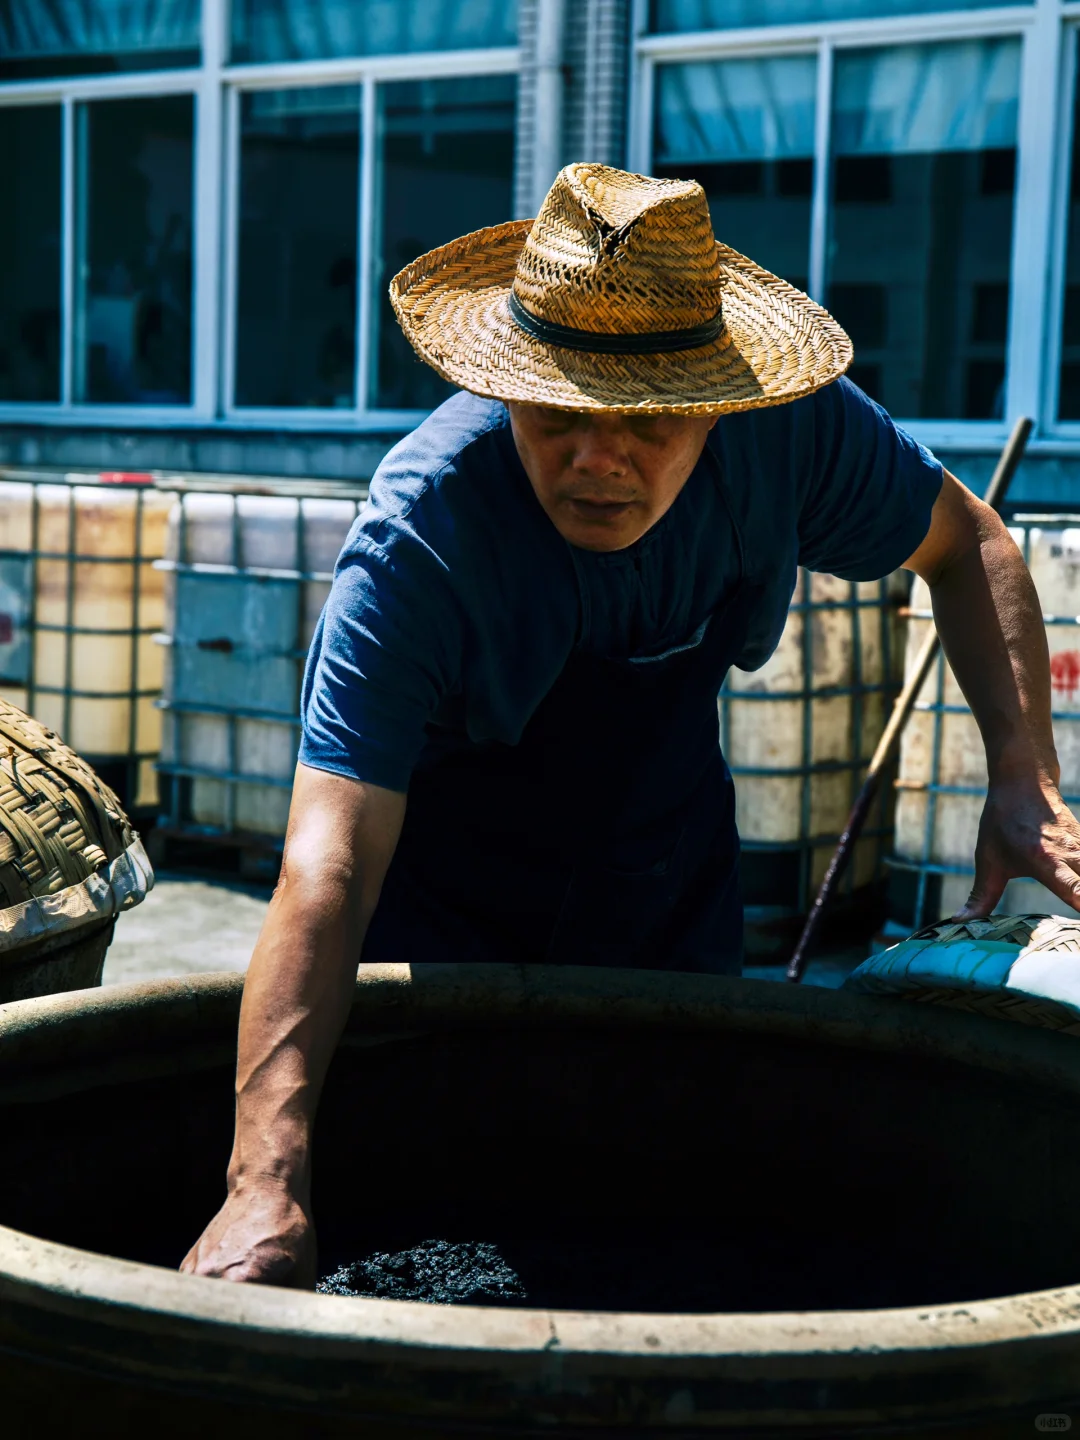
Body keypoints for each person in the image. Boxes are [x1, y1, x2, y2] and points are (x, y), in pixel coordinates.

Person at [182, 165, 1080, 1288]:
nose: (598, 458)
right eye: (560, 412)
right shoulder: (421, 540)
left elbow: (971, 546)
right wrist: (260, 1176)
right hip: (452, 932)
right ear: (505, 386)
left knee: (679, 1234)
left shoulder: (791, 439)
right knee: (456, 1248)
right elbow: (326, 863)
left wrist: (1024, 785)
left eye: (647, 422)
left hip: (669, 896)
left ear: (715, 401)